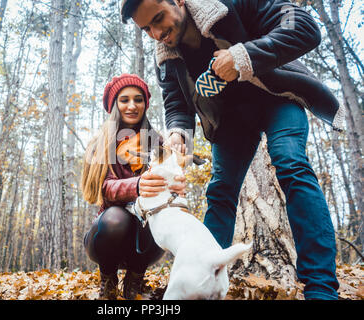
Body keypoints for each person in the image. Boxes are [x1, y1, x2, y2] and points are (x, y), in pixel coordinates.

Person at [121, 0, 342, 300]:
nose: (157, 33)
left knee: (290, 163)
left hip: (277, 99)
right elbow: (176, 104)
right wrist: (178, 133)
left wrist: (243, 56)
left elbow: (303, 26)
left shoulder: (229, 3)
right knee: (220, 191)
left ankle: (321, 288)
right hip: (230, 123)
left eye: (159, 19)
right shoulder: (167, 57)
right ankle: (202, 279)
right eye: (146, 28)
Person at [81, 74, 186, 299]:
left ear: (145, 104)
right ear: (115, 105)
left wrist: (176, 182)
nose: (132, 106)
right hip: (107, 235)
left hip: (145, 237)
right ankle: (108, 281)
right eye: (124, 100)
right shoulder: (100, 143)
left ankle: (134, 282)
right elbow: (103, 189)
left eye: (138, 100)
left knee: (156, 219)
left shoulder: (157, 142)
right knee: (115, 218)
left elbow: (171, 181)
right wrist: (137, 185)